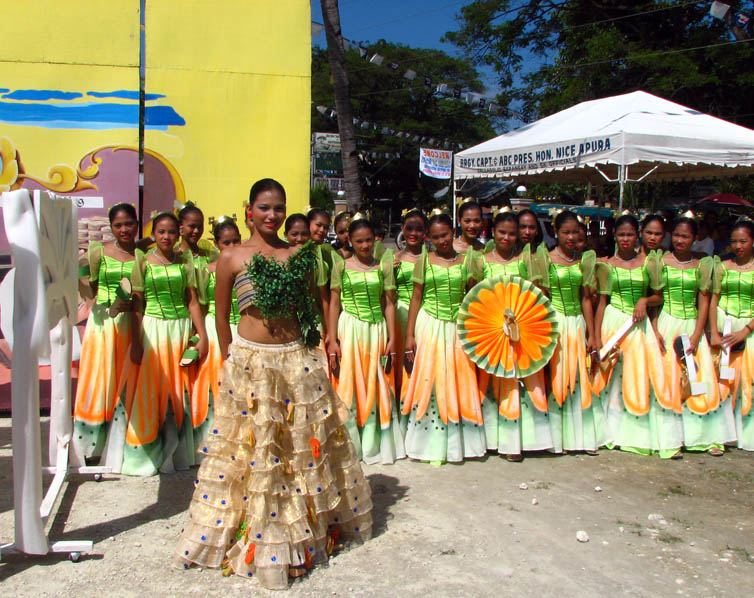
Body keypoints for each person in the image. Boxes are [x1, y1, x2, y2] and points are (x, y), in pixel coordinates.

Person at [175, 179, 371, 589]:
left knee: (298, 448)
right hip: (251, 363)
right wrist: (232, 360)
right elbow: (221, 315)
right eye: (264, 207)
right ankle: (248, 537)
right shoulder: (231, 257)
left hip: (295, 361)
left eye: (279, 208)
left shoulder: (299, 254)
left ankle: (296, 539)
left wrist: (324, 341)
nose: (272, 215)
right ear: (250, 210)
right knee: (252, 450)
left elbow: (318, 304)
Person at [124, 212, 209, 475]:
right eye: (161, 232)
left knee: (180, 388)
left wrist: (202, 334)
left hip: (180, 330)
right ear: (154, 233)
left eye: (171, 232)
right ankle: (148, 454)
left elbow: (192, 301)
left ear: (179, 232)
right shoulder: (143, 261)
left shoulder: (185, 263)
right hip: (153, 330)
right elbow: (137, 304)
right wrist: (136, 341)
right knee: (152, 389)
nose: (166, 237)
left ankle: (179, 452)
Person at [402, 210, 486, 463]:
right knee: (432, 380)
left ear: (453, 232)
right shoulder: (424, 261)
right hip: (430, 326)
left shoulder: (468, 260)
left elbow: (473, 296)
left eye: (446, 235)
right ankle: (429, 443)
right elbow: (416, 298)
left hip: (458, 328)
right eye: (436, 237)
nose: (442, 241)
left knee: (460, 379)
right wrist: (409, 337)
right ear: (430, 238)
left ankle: (458, 443)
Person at [593, 215, 677, 457]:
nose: (626, 239)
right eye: (621, 235)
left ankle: (633, 433)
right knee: (611, 377)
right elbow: (601, 302)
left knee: (637, 376)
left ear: (637, 235)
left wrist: (644, 299)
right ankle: (609, 431)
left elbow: (659, 296)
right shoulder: (606, 265)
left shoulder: (649, 263)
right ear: (615, 236)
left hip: (639, 326)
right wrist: (597, 338)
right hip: (613, 321)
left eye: (630, 234)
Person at [327, 217, 405, 464]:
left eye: (368, 240)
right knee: (350, 380)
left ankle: (373, 441)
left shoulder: (383, 267)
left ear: (376, 240)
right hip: (349, 328)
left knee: (376, 379)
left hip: (377, 329)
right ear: (349, 240)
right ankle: (349, 441)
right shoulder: (341, 266)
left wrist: (392, 337)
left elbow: (390, 304)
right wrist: (332, 339)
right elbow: (334, 303)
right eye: (359, 241)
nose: (364, 246)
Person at [656, 216, 735, 456]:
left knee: (700, 380)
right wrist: (655, 329)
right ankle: (671, 439)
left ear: (695, 238)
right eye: (677, 235)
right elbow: (655, 296)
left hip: (693, 325)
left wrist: (697, 334)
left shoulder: (702, 264)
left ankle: (704, 437)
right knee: (670, 381)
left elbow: (704, 300)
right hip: (667, 322)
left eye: (686, 236)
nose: (680, 240)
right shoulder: (660, 261)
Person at [478, 210, 551, 461]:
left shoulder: (525, 260)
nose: (507, 237)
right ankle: (489, 439)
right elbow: (473, 297)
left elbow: (537, 294)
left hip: (521, 333)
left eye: (511, 233)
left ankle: (518, 441)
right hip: (490, 334)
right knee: (491, 382)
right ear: (493, 232)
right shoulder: (481, 261)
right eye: (502, 232)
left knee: (520, 383)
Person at [73, 203, 139, 466]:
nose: (124, 229)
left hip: (131, 326)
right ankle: (90, 449)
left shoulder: (143, 255)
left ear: (136, 224)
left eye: (129, 224)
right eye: (118, 225)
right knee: (99, 381)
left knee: (127, 382)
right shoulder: (97, 253)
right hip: (102, 327)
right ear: (111, 227)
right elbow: (86, 288)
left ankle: (122, 446)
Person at [539, 210, 608, 454]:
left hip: (577, 321)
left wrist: (592, 333)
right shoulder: (545, 258)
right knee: (557, 376)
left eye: (575, 232)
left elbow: (586, 299)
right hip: (555, 321)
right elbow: (542, 296)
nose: (570, 237)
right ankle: (557, 438)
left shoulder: (584, 260)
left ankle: (582, 436)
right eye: (565, 232)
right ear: (555, 233)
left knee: (579, 375)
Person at [191, 217, 243, 453]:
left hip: (243, 328)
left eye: (235, 241)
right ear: (216, 243)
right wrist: (199, 335)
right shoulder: (205, 270)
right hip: (215, 327)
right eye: (225, 243)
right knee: (216, 382)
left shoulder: (248, 266)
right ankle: (214, 440)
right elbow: (200, 305)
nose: (231, 247)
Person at [710, 219, 754, 451]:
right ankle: (719, 434)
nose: (738, 246)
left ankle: (745, 433)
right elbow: (713, 298)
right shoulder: (723, 266)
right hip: (724, 326)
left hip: (750, 328)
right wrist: (715, 331)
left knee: (748, 381)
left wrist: (745, 331)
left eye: (743, 241)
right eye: (734, 241)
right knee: (722, 380)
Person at [393, 209, 427, 403]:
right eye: (410, 228)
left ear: (425, 232)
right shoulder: (394, 259)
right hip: (400, 315)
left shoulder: (431, 259)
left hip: (425, 316)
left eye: (419, 229)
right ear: (403, 229)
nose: (414, 233)